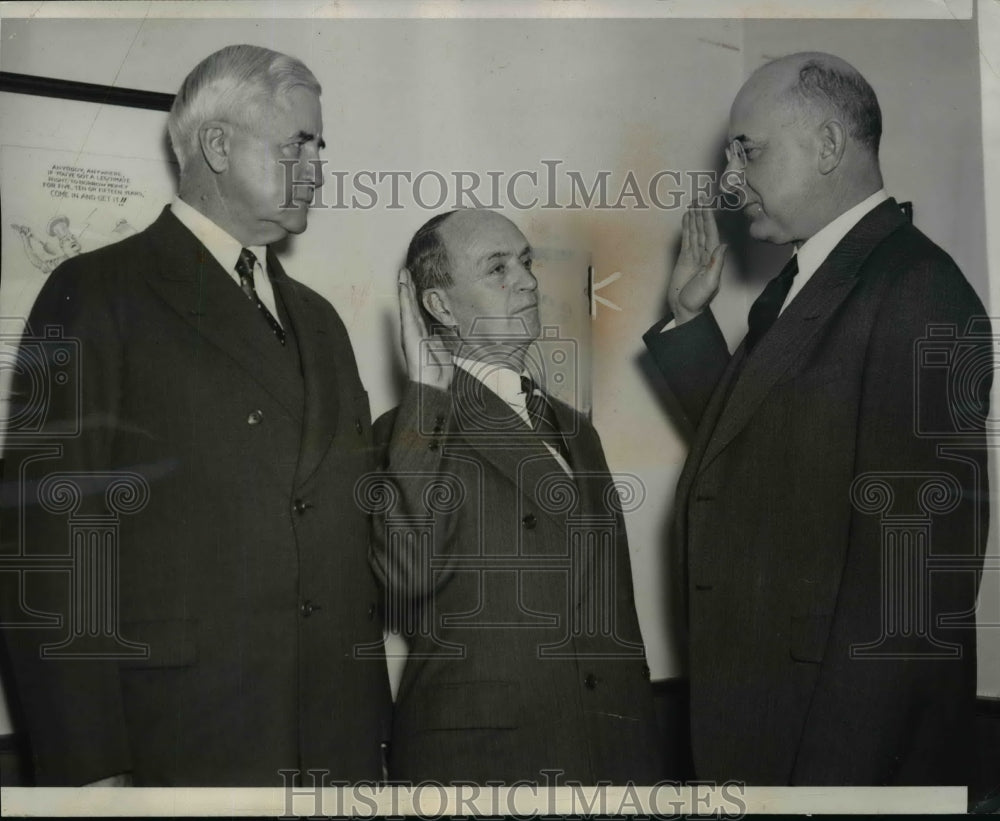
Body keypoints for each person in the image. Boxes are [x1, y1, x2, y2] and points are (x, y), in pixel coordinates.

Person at [0, 44, 391, 786]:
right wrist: (89, 772)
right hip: (181, 746)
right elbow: (51, 548)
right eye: (295, 144)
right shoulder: (97, 292)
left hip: (336, 750)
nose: (316, 167)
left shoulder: (321, 320)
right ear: (216, 144)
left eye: (320, 147)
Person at [643, 52, 991, 785]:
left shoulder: (919, 292)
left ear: (830, 146)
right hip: (770, 720)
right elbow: (763, 455)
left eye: (750, 151)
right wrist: (688, 322)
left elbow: (911, 592)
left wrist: (833, 791)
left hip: (830, 748)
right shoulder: (804, 286)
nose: (732, 180)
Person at [368, 209, 666, 785]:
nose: (527, 281)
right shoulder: (406, 431)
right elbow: (406, 578)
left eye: (525, 261)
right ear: (441, 306)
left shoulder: (579, 431)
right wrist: (424, 400)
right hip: (488, 763)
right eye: (497, 268)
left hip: (613, 753)